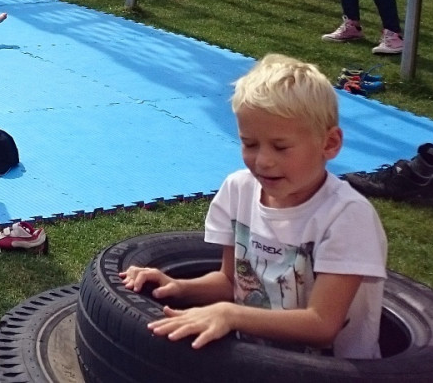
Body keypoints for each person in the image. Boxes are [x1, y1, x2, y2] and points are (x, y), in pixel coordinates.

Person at [120, 55, 387, 358]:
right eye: (250, 144)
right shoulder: (238, 190)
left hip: (332, 371)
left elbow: (322, 324)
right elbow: (230, 281)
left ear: (329, 144)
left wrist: (230, 314)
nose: (263, 161)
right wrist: (177, 287)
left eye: (280, 147)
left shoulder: (347, 216)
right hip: (254, 361)